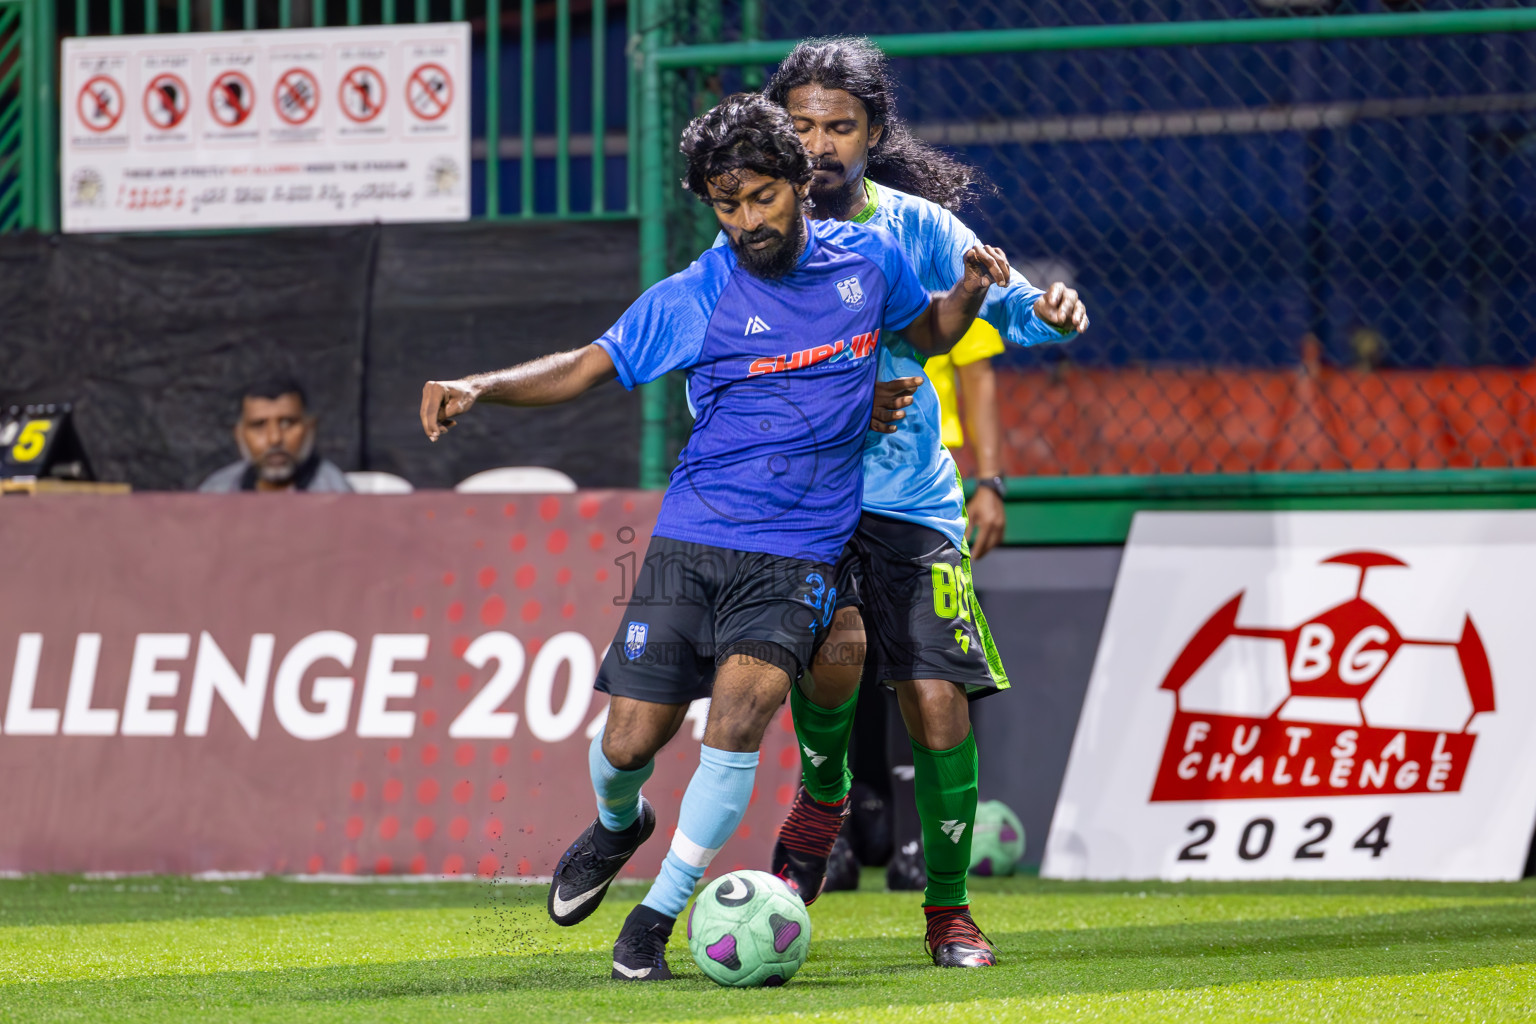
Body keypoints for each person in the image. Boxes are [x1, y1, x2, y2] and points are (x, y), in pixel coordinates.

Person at [417, 93, 1010, 981]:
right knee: (627, 747)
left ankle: (655, 921)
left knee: (737, 722)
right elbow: (588, 365)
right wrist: (481, 384)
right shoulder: (700, 291)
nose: (745, 221)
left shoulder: (870, 261)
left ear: (800, 185)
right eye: (726, 204)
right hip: (693, 540)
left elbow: (923, 334)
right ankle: (622, 824)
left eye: (761, 198)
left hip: (798, 556)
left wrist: (965, 291)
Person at [758, 37, 1089, 969]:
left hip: (912, 500)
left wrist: (1052, 311)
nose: (818, 144)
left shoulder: (920, 227)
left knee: (936, 700)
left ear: (874, 135)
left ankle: (950, 913)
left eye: (839, 126)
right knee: (826, 677)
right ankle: (825, 796)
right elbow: (732, 370)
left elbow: (1011, 311)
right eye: (801, 125)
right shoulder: (753, 229)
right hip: (810, 499)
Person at [199, 377, 352, 493]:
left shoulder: (335, 495)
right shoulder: (218, 491)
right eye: (259, 425)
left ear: (310, 428)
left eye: (287, 423)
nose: (275, 438)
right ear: (239, 434)